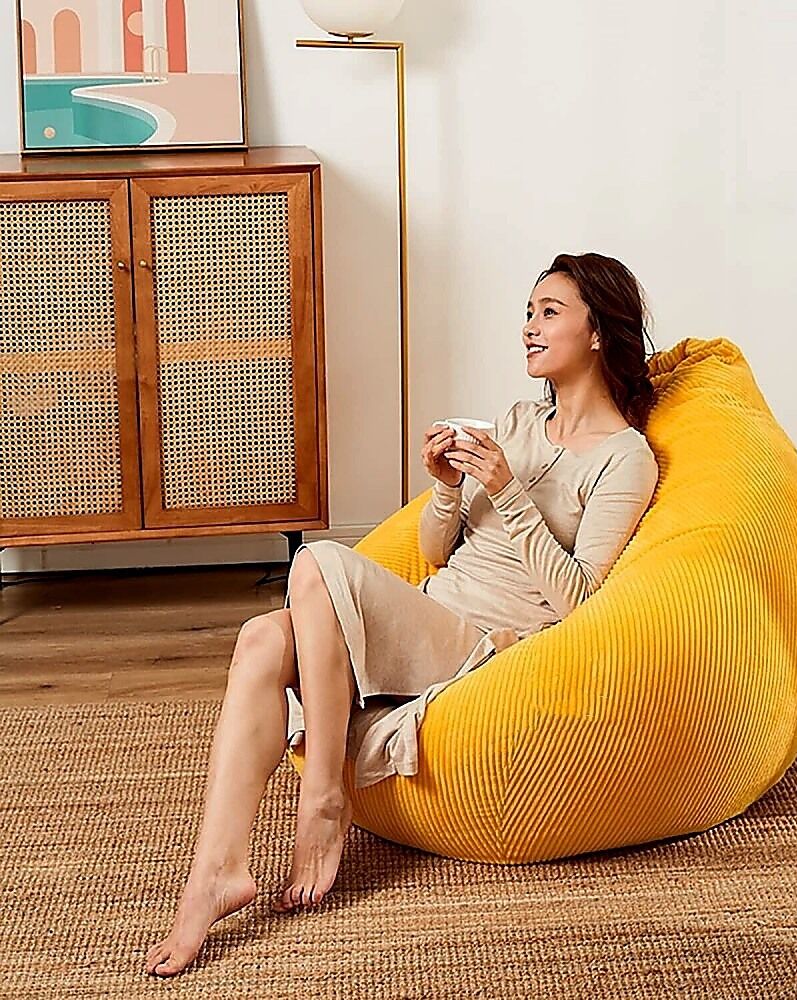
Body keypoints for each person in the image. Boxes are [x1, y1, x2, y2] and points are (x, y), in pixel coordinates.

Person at [144, 251, 660, 978]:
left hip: (484, 646)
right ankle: (216, 874)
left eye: (549, 313)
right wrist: (446, 488)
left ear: (598, 331)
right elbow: (435, 552)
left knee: (316, 560)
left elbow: (581, 599)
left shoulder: (625, 458)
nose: (529, 327)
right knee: (261, 637)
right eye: (528, 312)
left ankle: (325, 797)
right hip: (431, 615)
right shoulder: (518, 421)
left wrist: (508, 493)